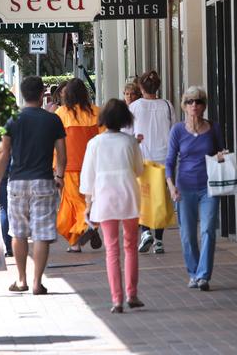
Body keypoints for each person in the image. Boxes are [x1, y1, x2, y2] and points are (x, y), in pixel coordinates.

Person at [0, 76, 67, 295]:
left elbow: (3, 153)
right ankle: (36, 282)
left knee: (18, 233)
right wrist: (59, 177)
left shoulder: (12, 119)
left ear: (23, 94)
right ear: (43, 94)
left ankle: (21, 279)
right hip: (43, 180)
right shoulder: (53, 120)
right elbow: (61, 154)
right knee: (42, 233)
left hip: (17, 182)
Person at [80, 99, 145, 313]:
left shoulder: (95, 143)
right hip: (128, 196)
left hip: (105, 197)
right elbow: (138, 170)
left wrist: (88, 205)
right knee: (130, 247)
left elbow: (88, 178)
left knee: (112, 250)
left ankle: (117, 299)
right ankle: (132, 294)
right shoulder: (130, 142)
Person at [165, 86, 224, 292]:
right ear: (184, 105)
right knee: (188, 234)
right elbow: (170, 162)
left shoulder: (214, 128)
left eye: (198, 101)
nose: (194, 106)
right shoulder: (178, 130)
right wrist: (171, 186)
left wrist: (220, 156)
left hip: (209, 186)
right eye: (190, 102)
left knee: (208, 229)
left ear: (204, 105)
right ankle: (193, 272)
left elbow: (222, 153)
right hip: (184, 187)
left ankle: (203, 275)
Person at [128, 70, 175, 254]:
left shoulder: (134, 107)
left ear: (140, 87)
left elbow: (128, 132)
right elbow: (173, 131)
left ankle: (145, 231)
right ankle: (159, 240)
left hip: (142, 158)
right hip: (164, 158)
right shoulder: (167, 105)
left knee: (143, 197)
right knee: (160, 198)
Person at [55, 78, 102, 252]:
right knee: (83, 201)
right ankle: (75, 243)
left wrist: (55, 167)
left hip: (69, 166)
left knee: (72, 203)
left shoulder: (61, 113)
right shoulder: (97, 112)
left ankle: (89, 225)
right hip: (93, 166)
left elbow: (55, 144)